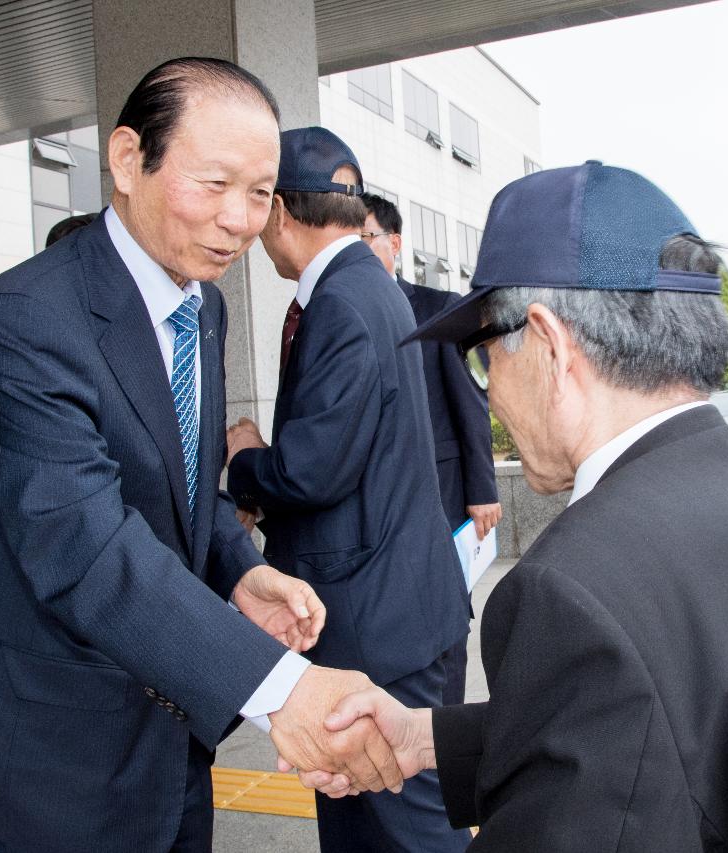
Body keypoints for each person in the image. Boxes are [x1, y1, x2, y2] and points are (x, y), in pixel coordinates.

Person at [307, 162, 728, 852]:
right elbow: (665, 717)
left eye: (485, 354)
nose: (489, 392)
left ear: (550, 346)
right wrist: (426, 735)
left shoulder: (570, 591)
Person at [0, 58, 402, 853]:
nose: (239, 219)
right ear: (127, 160)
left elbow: (183, 485)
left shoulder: (202, 308)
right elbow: (87, 548)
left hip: (173, 719)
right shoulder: (25, 322)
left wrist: (237, 566)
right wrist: (280, 688)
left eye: (259, 193)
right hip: (59, 742)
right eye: (214, 183)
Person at [225, 127, 471, 852]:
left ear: (279, 212)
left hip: (381, 628)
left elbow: (311, 469)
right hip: (391, 611)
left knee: (413, 828)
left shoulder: (338, 304)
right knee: (366, 826)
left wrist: (243, 458)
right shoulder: (366, 285)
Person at [360, 192, 500, 705]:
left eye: (366, 237)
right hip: (376, 503)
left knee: (445, 615)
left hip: (442, 494)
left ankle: (444, 731)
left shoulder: (438, 309)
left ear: (394, 243)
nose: (356, 248)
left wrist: (482, 490)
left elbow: (470, 402)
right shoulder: (341, 309)